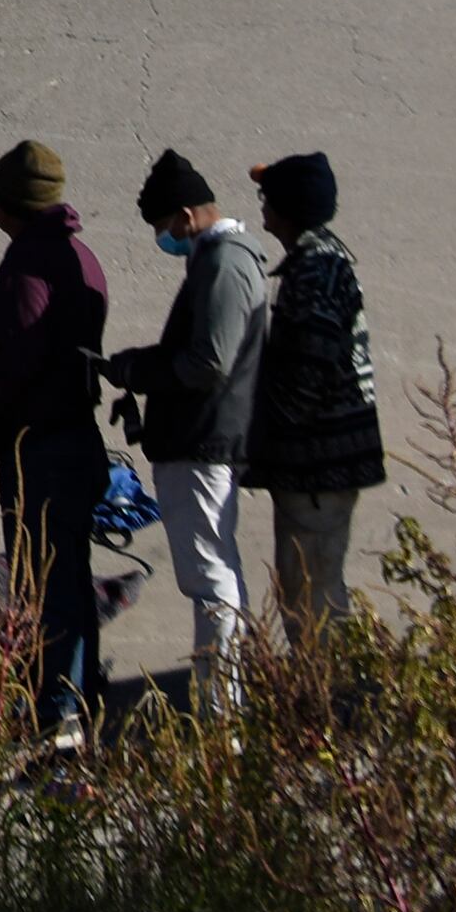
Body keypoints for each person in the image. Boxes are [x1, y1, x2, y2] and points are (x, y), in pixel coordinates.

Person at [107, 150, 268, 690]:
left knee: (211, 580)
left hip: (202, 443)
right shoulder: (215, 259)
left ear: (185, 213)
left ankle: (222, 712)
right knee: (212, 577)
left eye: (162, 225)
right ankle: (223, 707)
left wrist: (140, 368)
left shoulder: (224, 263)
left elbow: (210, 361)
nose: (162, 236)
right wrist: (137, 366)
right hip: (200, 440)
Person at [0, 138, 113, 736]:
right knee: (71, 581)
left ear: (8, 203)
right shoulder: (81, 257)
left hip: (42, 447)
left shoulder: (31, 262)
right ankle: (77, 704)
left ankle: (58, 712)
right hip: (75, 439)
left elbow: (17, 356)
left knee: (44, 583)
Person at [246, 152, 385, 640]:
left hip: (316, 470)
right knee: (313, 591)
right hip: (326, 466)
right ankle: (328, 699)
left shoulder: (312, 272)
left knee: (312, 599)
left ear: (287, 209)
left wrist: (268, 435)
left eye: (268, 198)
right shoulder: (326, 262)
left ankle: (330, 706)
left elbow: (307, 373)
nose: (262, 206)